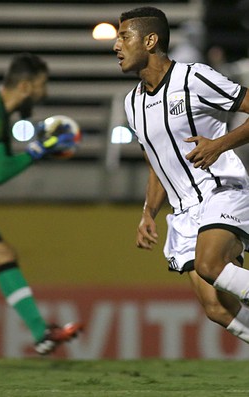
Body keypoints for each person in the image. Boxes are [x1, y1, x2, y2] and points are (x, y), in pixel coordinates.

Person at [113, 6, 249, 343]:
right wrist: (149, 212)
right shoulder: (132, 104)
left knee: (210, 264)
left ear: (150, 40)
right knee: (216, 309)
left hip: (221, 190)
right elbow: (157, 163)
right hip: (184, 212)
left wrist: (219, 144)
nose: (116, 45)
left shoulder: (194, 77)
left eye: (124, 36)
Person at [0, 52, 82, 355]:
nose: (43, 93)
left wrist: (37, 151)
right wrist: (38, 150)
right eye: (41, 85)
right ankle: (41, 333)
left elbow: (2, 168)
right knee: (1, 253)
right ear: (25, 86)